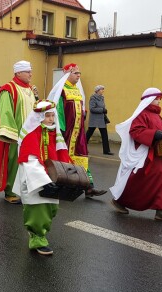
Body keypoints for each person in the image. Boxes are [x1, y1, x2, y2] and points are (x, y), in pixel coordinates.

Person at [109, 88, 162, 223]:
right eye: (157, 98)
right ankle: (120, 201)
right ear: (150, 100)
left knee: (159, 176)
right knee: (138, 181)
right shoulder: (142, 114)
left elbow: (159, 130)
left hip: (156, 153)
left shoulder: (157, 115)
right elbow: (135, 131)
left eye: (159, 98)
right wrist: (153, 134)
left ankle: (160, 210)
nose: (159, 101)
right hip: (144, 153)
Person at [13, 100, 71, 255]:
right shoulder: (32, 134)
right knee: (38, 209)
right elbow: (30, 160)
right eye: (48, 116)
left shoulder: (54, 133)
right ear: (39, 117)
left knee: (51, 208)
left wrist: (67, 176)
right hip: (35, 179)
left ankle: (40, 233)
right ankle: (37, 238)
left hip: (52, 177)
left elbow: (61, 154)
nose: (52, 119)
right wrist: (43, 181)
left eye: (53, 116)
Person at [47, 63, 107, 198]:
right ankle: (59, 186)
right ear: (68, 74)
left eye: (79, 73)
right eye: (75, 73)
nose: (78, 75)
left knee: (82, 157)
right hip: (66, 132)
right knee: (63, 159)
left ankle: (89, 187)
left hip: (78, 132)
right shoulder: (61, 90)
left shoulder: (78, 90)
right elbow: (58, 111)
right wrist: (60, 130)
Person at [0, 61, 39, 203]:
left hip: (30, 134)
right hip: (15, 135)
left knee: (28, 163)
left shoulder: (30, 89)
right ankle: (10, 191)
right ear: (18, 73)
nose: (31, 74)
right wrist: (12, 134)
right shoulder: (8, 89)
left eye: (31, 71)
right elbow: (6, 112)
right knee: (13, 162)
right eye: (28, 71)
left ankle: (24, 189)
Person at [86, 85, 113, 155]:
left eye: (103, 89)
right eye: (101, 89)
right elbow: (92, 109)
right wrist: (102, 110)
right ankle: (81, 147)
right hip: (94, 119)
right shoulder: (93, 98)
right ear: (97, 90)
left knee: (104, 135)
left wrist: (104, 110)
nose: (103, 91)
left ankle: (106, 151)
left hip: (101, 119)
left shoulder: (102, 98)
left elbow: (102, 107)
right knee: (88, 134)